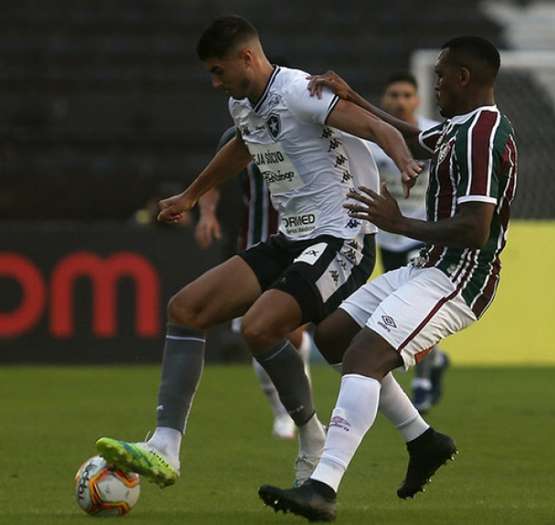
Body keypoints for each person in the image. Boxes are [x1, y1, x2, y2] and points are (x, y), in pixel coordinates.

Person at [94, 14, 424, 489]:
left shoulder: (298, 92)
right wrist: (191, 195)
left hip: (342, 238)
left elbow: (373, 126)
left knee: (260, 327)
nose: (214, 82)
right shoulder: (242, 104)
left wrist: (404, 159)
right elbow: (241, 149)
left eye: (218, 70)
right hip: (293, 237)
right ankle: (165, 446)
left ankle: (313, 438)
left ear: (246, 57)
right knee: (185, 309)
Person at [259, 36, 518, 521]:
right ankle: (424, 441)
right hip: (430, 266)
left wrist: (401, 224)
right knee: (335, 335)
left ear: (464, 78)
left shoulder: (482, 136)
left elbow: (476, 229)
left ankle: (323, 486)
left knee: (364, 357)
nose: (434, 83)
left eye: (440, 75)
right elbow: (420, 139)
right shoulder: (462, 126)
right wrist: (354, 97)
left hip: (461, 277)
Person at [195, 126, 313, 440]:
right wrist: (207, 213)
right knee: (256, 333)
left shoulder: (304, 129)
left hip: (300, 247)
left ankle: (301, 408)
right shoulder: (238, 134)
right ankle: (283, 413)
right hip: (253, 250)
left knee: (289, 332)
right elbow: (212, 179)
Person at [368, 72, 449, 413]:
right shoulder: (373, 141)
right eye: (393, 94)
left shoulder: (433, 134)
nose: (400, 101)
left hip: (423, 234)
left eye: (406, 95)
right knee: (398, 307)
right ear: (384, 100)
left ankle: (422, 379)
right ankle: (437, 359)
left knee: (418, 309)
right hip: (389, 238)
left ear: (417, 100)